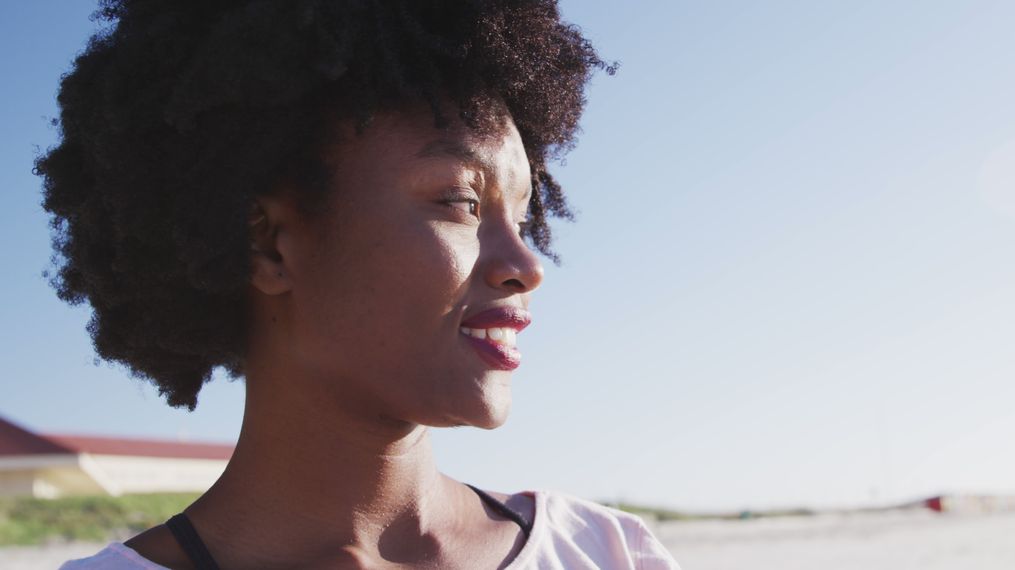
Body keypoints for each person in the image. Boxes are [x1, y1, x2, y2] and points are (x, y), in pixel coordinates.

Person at [42, 1, 680, 568]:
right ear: (269, 245)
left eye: (520, 214)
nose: (527, 264)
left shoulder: (605, 552)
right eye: (461, 201)